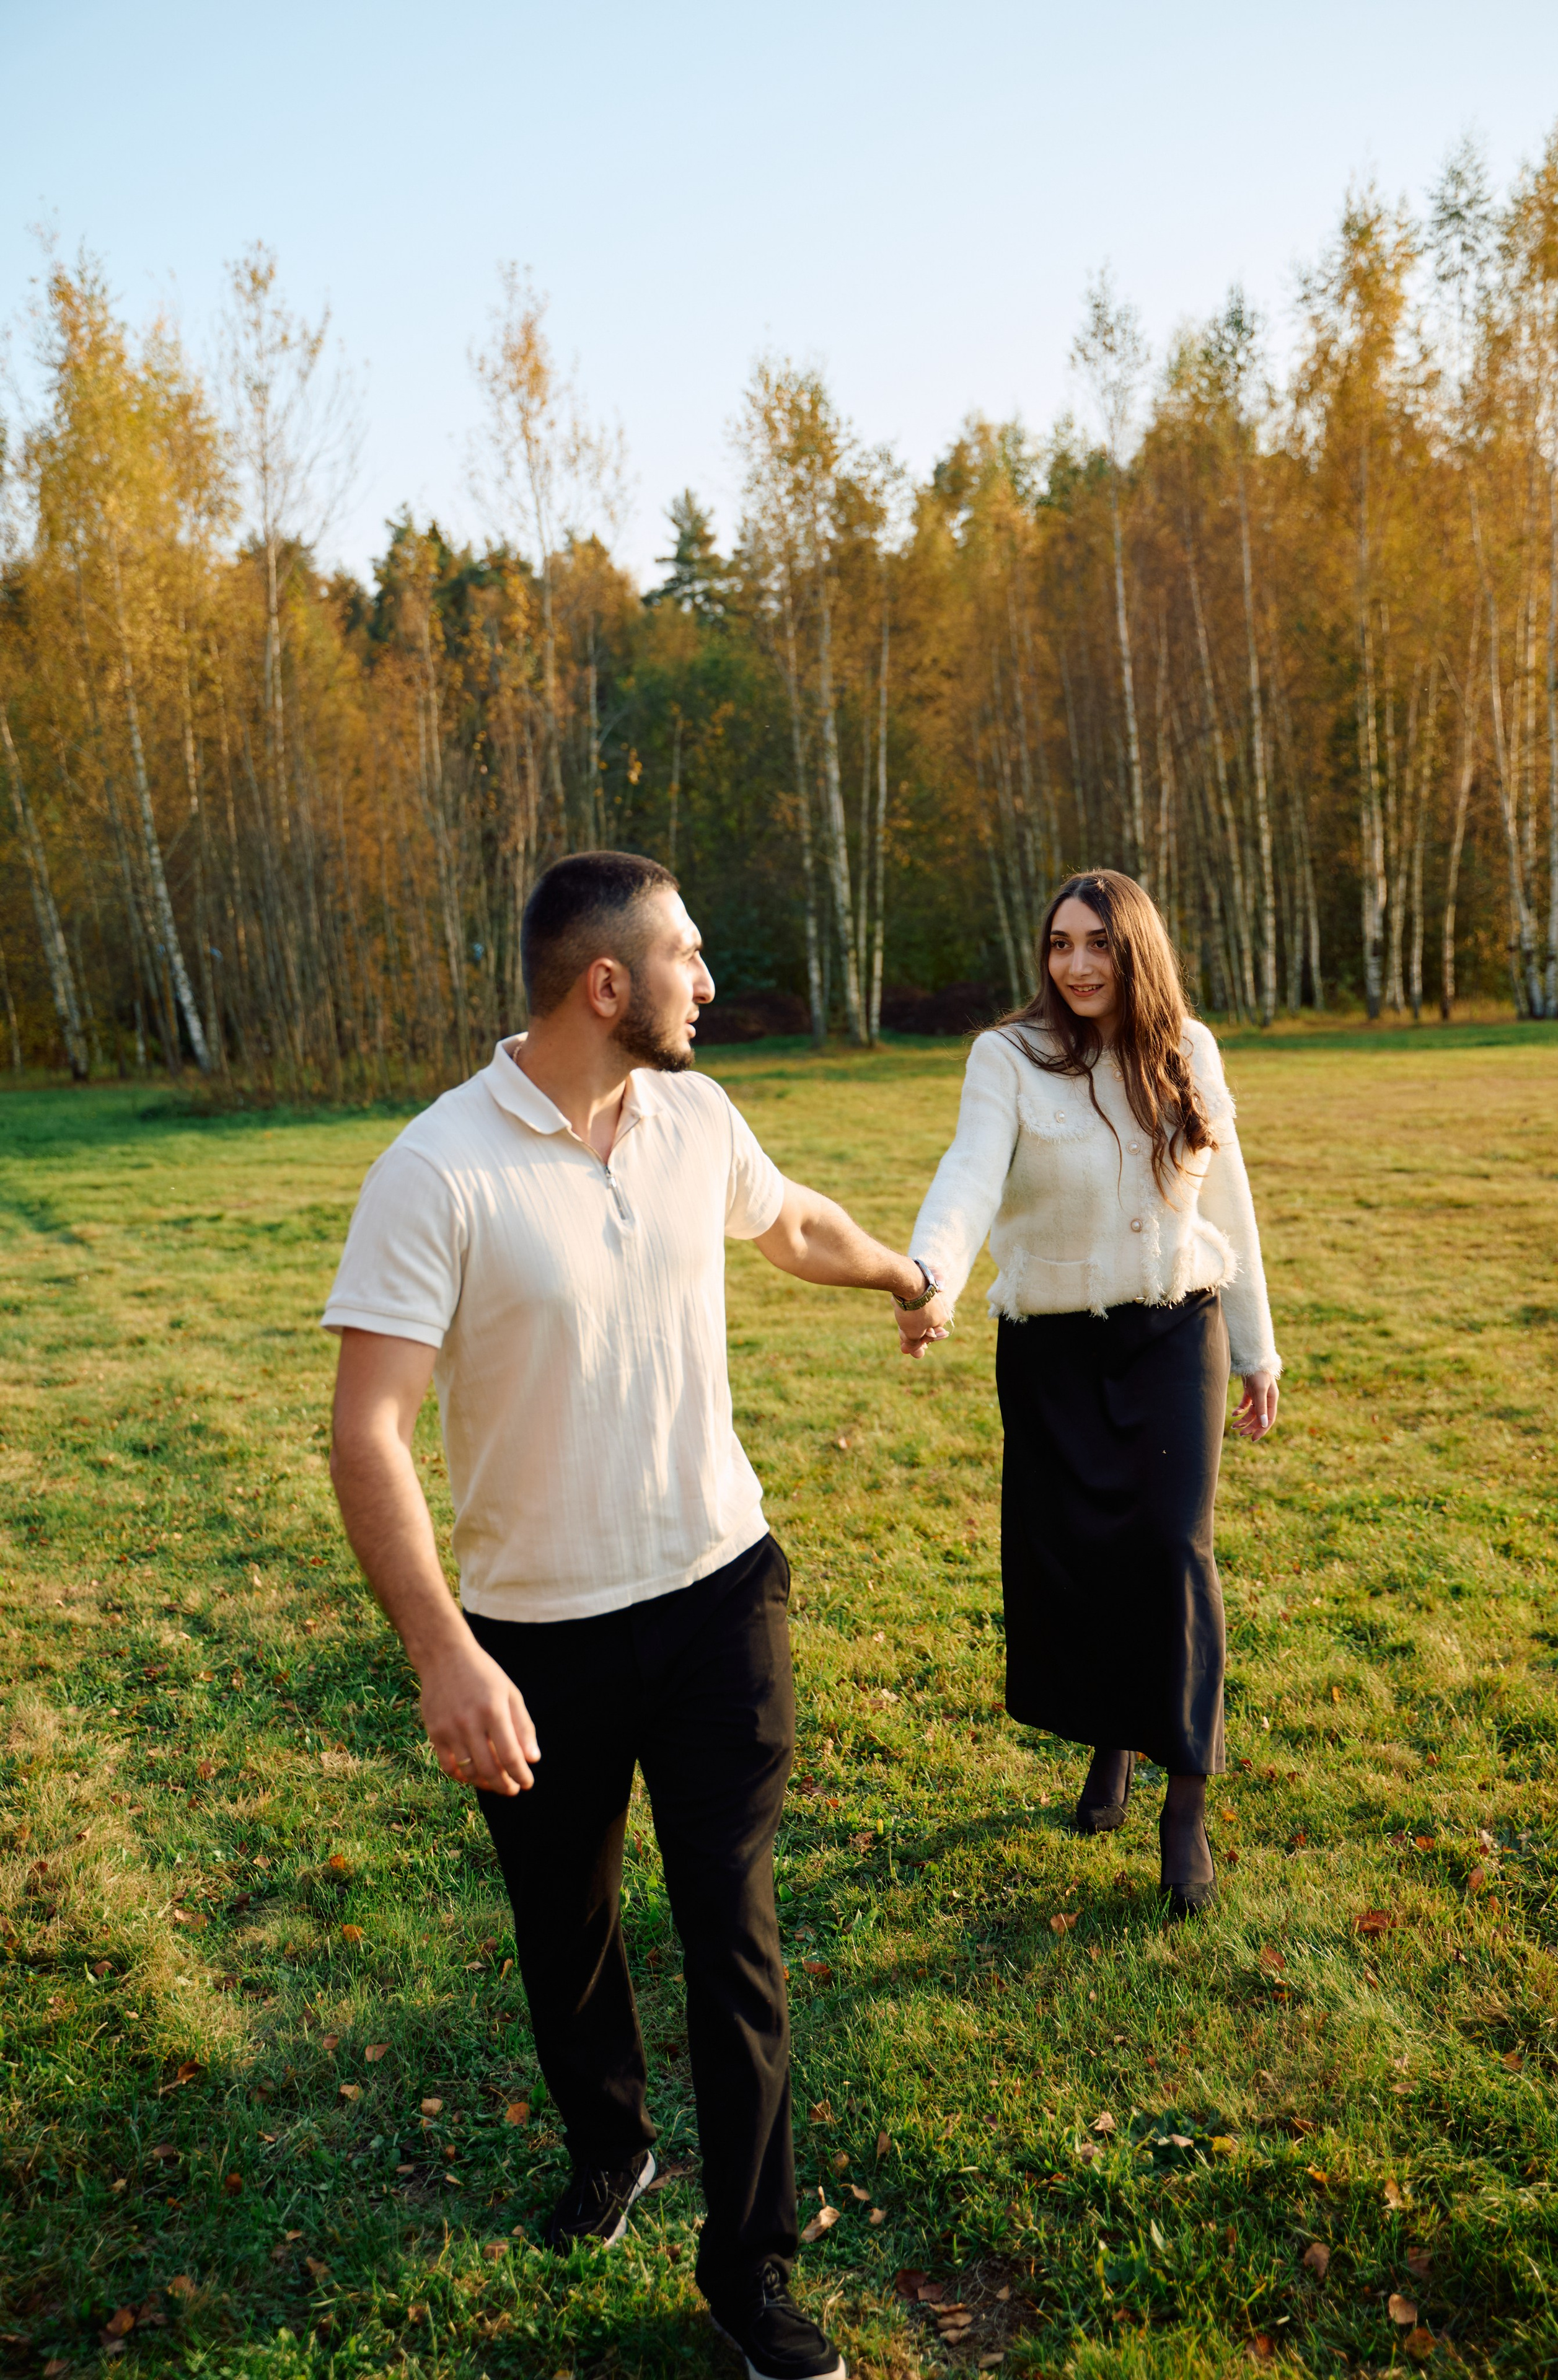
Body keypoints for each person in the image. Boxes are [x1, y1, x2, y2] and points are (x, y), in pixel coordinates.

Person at [322, 852, 939, 2380]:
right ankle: (611, 2146)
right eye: (688, 957)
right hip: (533, 1637)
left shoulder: (694, 1117)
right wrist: (445, 1655)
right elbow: (367, 1432)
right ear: (607, 985)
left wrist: (900, 1273)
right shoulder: (436, 1169)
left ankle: (750, 2274)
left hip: (721, 1593)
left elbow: (790, 1225)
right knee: (568, 1928)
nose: (708, 984)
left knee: (732, 1930)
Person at [896, 869, 1280, 1916]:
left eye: (1098, 944)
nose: (1076, 964)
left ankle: (1185, 1803)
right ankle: (1113, 1737)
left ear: (1135, 950)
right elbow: (969, 1174)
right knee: (1084, 1558)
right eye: (1060, 944)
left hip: (1174, 1330)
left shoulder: (1188, 1049)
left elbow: (1231, 1199)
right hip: (1053, 1348)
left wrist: (1258, 1349)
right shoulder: (1009, 1056)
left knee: (1171, 1548)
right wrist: (930, 1278)